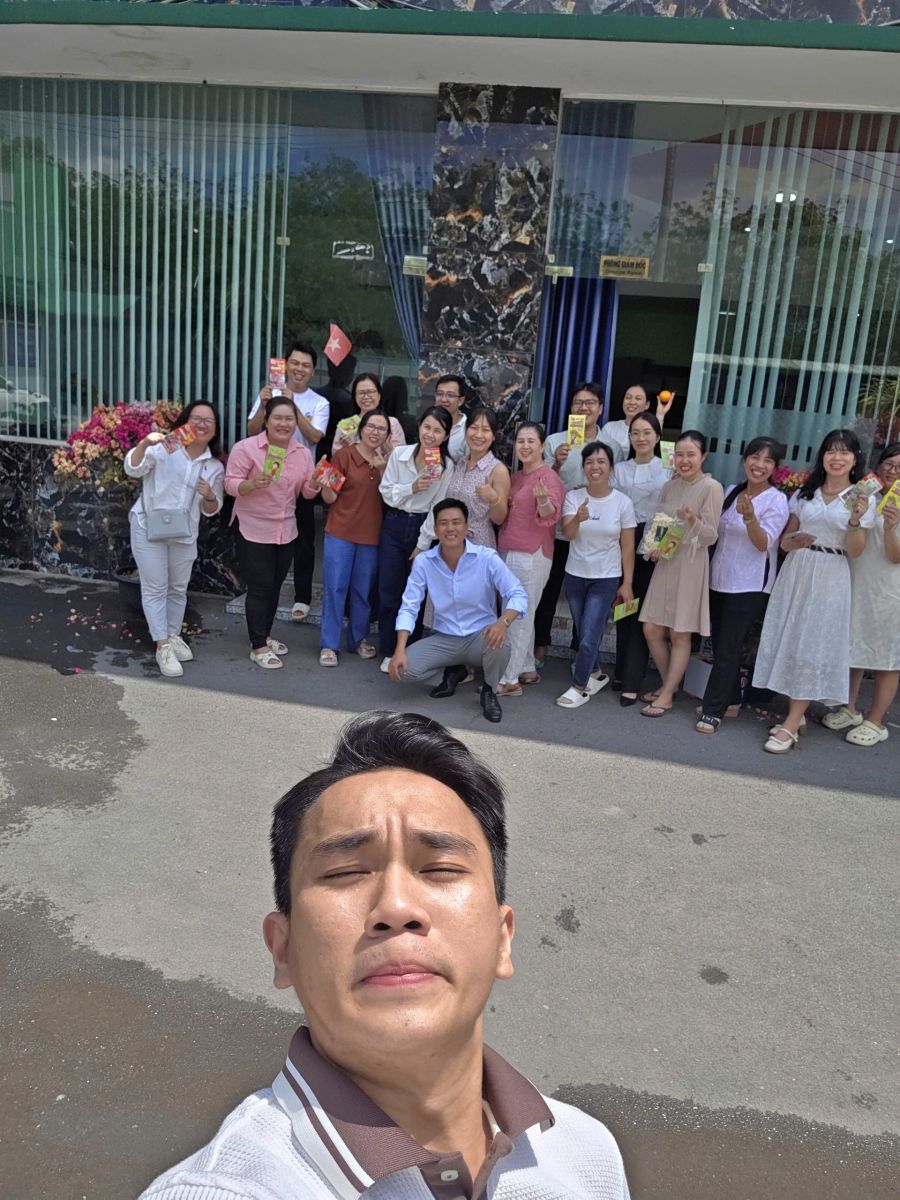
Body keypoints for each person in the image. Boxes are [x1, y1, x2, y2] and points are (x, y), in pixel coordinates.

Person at [139, 710, 631, 1200]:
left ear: (503, 939)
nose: (395, 908)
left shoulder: (586, 1152)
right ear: (282, 948)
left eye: (440, 868)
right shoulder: (221, 1190)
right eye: (344, 873)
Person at [753, 428, 875, 754]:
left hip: (831, 574)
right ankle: (797, 714)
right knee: (792, 639)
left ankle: (791, 723)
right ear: (822, 456)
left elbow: (856, 550)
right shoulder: (806, 492)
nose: (837, 458)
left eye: (844, 452)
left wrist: (855, 520)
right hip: (798, 569)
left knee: (812, 644)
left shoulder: (861, 498)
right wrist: (794, 541)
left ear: (855, 459)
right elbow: (784, 542)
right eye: (831, 451)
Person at [389, 500, 528, 724]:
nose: (450, 528)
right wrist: (399, 649)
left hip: (480, 637)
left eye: (456, 522)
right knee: (402, 671)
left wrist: (503, 622)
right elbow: (409, 606)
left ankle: (489, 690)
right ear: (436, 529)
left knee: (501, 644)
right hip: (445, 638)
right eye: (444, 523)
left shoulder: (486, 558)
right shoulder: (424, 562)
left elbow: (517, 593)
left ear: (466, 527)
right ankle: (455, 670)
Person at [694, 438, 790, 734]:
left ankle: (713, 710)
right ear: (744, 460)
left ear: (775, 468)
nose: (759, 465)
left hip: (749, 584)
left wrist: (749, 518)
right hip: (719, 578)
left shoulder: (776, 500)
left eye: (767, 460)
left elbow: (764, 543)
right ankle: (732, 699)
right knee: (721, 643)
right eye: (754, 457)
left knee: (729, 647)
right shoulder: (731, 491)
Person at [124, 401, 225, 679]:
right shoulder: (166, 448)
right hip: (148, 526)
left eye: (209, 421)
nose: (202, 425)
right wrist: (145, 444)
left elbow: (212, 509)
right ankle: (163, 646)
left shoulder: (214, 466)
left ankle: (172, 634)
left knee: (178, 588)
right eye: (196, 419)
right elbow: (133, 469)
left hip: (184, 532)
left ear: (215, 429)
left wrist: (209, 495)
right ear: (184, 422)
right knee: (156, 587)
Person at [225, 397, 316, 669]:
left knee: (275, 586)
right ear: (266, 420)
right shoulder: (246, 448)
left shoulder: (302, 453)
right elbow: (229, 484)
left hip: (285, 528)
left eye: (289, 419)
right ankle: (258, 646)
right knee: (260, 586)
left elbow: (306, 493)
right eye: (278, 417)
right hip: (252, 526)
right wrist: (252, 484)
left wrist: (316, 482)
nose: (283, 424)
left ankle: (264, 634)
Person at [639, 430, 725, 718]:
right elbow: (661, 523)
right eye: (679, 454)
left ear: (703, 456)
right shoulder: (670, 486)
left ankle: (666, 694)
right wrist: (653, 546)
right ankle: (670, 685)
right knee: (652, 628)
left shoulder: (711, 487)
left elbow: (711, 535)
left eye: (691, 454)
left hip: (690, 563)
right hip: (666, 560)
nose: (684, 460)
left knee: (679, 632)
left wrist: (692, 519)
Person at [821, 441, 900, 747]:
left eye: (899, 467)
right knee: (852, 644)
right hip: (855, 578)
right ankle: (849, 707)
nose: (893, 471)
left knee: (886, 655)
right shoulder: (866, 492)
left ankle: (876, 721)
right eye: (889, 464)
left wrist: (890, 528)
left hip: (888, 589)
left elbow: (896, 556)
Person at [247, 341, 329, 623]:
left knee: (303, 539)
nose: (299, 369)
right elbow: (251, 430)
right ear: (285, 365)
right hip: (267, 477)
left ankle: (302, 597)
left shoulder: (319, 402)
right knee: (267, 538)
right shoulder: (268, 394)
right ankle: (265, 591)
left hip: (301, 478)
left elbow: (315, 436)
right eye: (294, 363)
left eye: (306, 365)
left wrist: (291, 403)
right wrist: (264, 405)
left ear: (313, 371)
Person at [308, 409, 392, 668]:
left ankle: (358, 639)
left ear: (387, 435)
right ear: (361, 429)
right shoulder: (344, 456)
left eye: (381, 428)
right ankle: (329, 644)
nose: (375, 432)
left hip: (371, 535)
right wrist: (323, 482)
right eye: (371, 426)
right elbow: (330, 498)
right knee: (335, 589)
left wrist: (384, 470)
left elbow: (392, 498)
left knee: (362, 592)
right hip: (340, 532)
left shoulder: (389, 463)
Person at [556, 442, 636, 709]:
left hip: (606, 577)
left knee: (590, 635)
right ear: (583, 467)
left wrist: (627, 583)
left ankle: (579, 687)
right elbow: (568, 534)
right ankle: (595, 672)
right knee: (584, 631)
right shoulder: (574, 497)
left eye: (601, 461)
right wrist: (578, 518)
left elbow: (627, 546)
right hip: (575, 574)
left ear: (611, 467)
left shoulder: (622, 502)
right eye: (589, 462)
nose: (595, 467)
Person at [533, 381, 605, 667]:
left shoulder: (610, 445)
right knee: (548, 589)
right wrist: (557, 465)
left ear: (600, 408)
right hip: (557, 530)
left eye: (590, 403)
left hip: (592, 531)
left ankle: (580, 650)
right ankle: (540, 644)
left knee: (585, 594)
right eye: (578, 403)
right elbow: (539, 482)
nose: (583, 408)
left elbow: (615, 484)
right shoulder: (554, 441)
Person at [377, 406, 453, 669]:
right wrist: (412, 487)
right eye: (427, 427)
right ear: (419, 426)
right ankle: (389, 649)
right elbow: (386, 492)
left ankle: (411, 651)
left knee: (416, 592)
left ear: (446, 436)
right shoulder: (399, 455)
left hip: (424, 526)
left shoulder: (446, 466)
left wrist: (422, 543)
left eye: (438, 431)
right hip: (395, 522)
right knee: (389, 589)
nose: (430, 434)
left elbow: (437, 507)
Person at [496, 422, 566, 697]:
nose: (525, 446)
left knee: (517, 616)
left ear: (542, 446)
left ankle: (509, 678)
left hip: (531, 553)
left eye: (531, 441)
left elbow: (551, 514)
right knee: (521, 613)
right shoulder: (516, 477)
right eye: (520, 441)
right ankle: (526, 667)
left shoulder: (548, 477)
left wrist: (543, 501)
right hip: (509, 549)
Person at [610, 413, 671, 706]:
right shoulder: (619, 469)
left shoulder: (668, 469)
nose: (641, 438)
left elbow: (671, 509)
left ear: (657, 437)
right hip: (622, 541)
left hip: (653, 545)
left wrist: (659, 546)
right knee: (624, 608)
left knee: (642, 613)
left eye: (647, 432)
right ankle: (622, 671)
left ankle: (633, 681)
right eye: (635, 432)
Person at [414, 406, 510, 554]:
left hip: (478, 547)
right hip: (450, 543)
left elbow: (499, 520)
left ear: (493, 436)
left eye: (485, 430)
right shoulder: (459, 463)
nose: (478, 435)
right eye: (474, 428)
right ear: (465, 431)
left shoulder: (498, 470)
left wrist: (493, 498)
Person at [600, 385, 675, 464]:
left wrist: (660, 415)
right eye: (628, 397)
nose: (632, 402)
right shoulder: (609, 427)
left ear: (647, 405)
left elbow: (669, 463)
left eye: (638, 398)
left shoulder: (660, 432)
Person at [332, 373, 406, 453]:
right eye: (361, 393)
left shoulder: (392, 423)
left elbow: (400, 456)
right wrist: (345, 449)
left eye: (370, 392)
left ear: (379, 395)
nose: (366, 397)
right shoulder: (347, 424)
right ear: (355, 396)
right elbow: (335, 455)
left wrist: (387, 448)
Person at [433, 373, 469, 462]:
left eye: (450, 395)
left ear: (460, 401)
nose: (443, 399)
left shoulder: (468, 429)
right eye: (440, 394)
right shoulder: (428, 423)